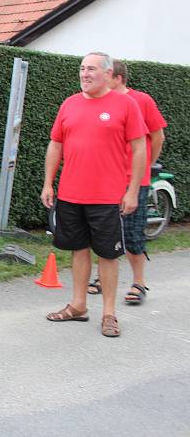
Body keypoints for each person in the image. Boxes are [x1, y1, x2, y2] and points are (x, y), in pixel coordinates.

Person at [41, 52, 146, 338]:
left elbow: (139, 148)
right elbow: (55, 145)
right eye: (82, 69)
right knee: (78, 249)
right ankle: (78, 306)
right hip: (72, 193)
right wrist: (48, 183)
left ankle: (109, 313)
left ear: (107, 73)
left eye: (91, 69)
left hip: (108, 195)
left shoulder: (125, 104)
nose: (85, 74)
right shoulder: (69, 104)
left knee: (108, 255)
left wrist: (133, 190)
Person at [86, 60, 167, 303]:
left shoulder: (142, 101)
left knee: (132, 233)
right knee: (103, 232)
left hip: (134, 181)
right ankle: (103, 277)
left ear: (117, 77)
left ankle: (138, 283)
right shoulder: (98, 101)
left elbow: (158, 136)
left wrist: (145, 168)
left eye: (106, 74)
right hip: (105, 179)